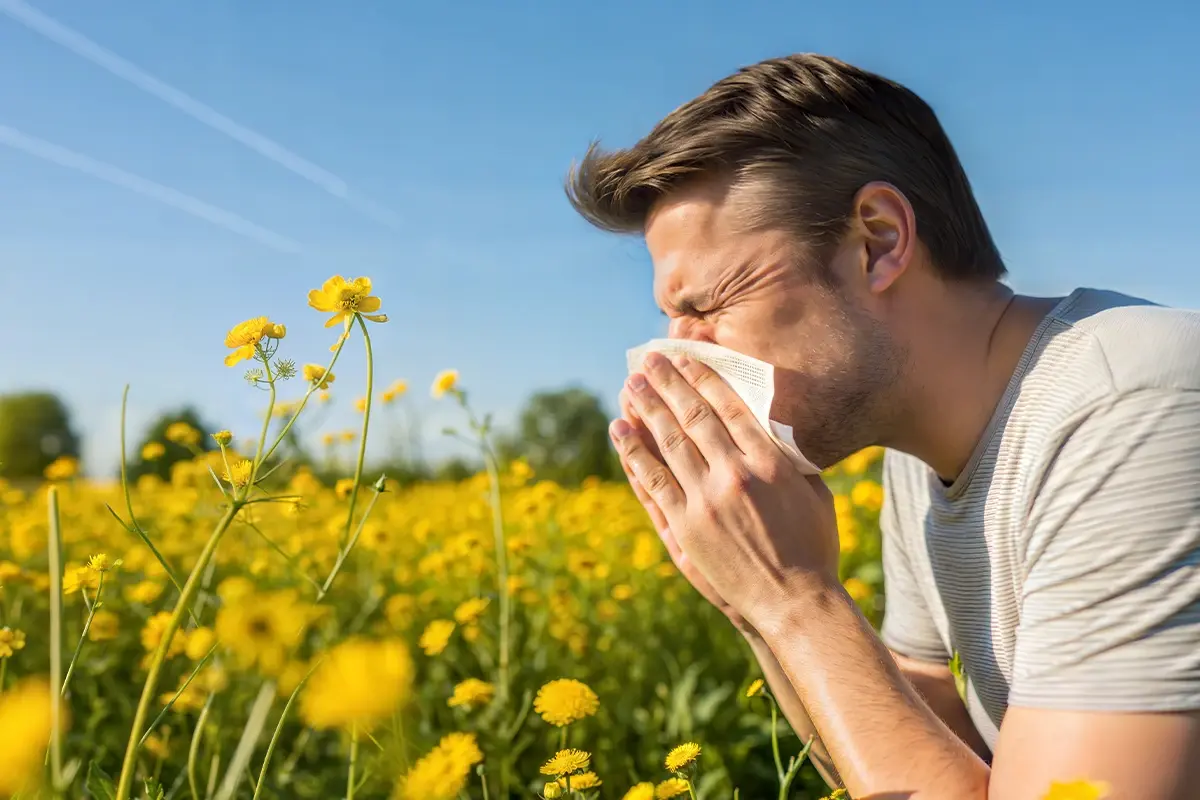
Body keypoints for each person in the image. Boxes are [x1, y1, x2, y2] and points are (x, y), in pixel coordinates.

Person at [565, 53, 1200, 799]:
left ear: (879, 241)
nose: (678, 350)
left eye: (706, 305)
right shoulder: (913, 447)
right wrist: (752, 604)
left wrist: (794, 599)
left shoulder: (1135, 401)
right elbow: (915, 753)